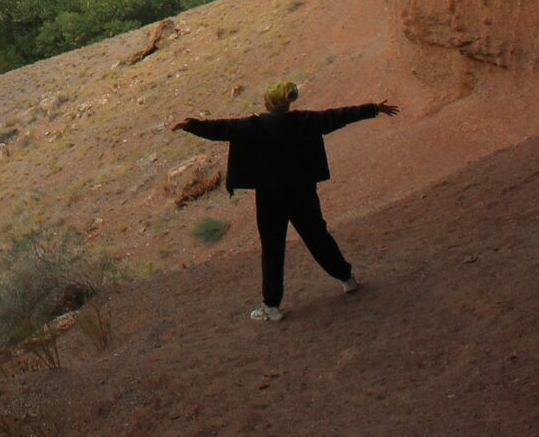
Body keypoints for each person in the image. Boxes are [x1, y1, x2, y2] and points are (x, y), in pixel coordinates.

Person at [171, 80, 399, 322]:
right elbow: (340, 116)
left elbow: (221, 129)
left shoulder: (253, 126)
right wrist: (374, 108)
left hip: (270, 197)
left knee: (272, 248)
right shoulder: (305, 121)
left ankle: (271, 306)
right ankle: (347, 278)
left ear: (268, 104)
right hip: (303, 191)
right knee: (317, 236)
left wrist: (192, 126)